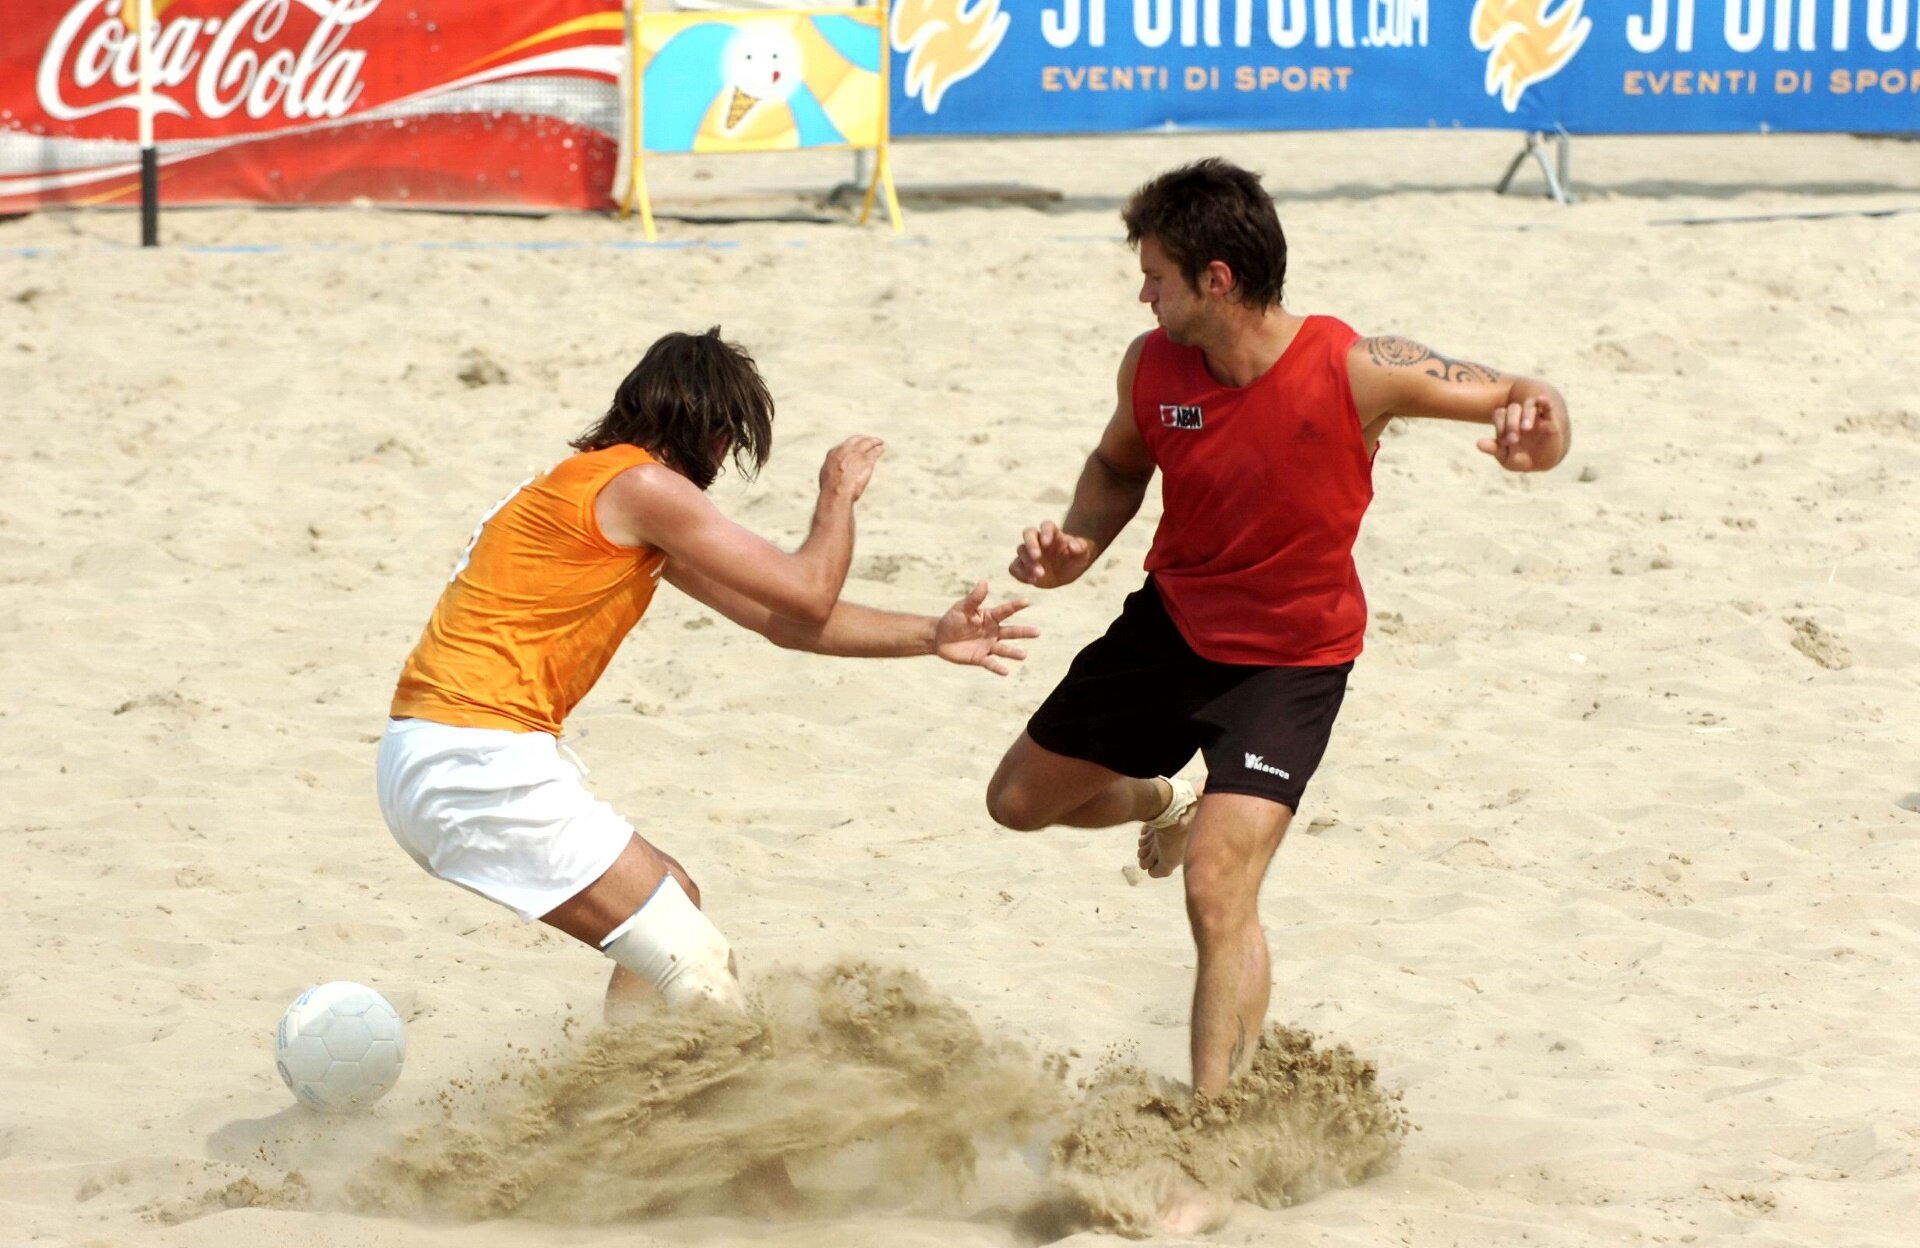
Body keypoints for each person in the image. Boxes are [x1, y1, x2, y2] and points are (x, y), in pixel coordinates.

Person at [985, 158, 1572, 1106]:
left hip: (1290, 667)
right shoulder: (1151, 363)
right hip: (1169, 629)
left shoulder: (1356, 368)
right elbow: (1115, 463)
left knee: (1218, 890)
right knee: (1015, 802)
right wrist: (1077, 547)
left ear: (1217, 279)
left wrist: (1537, 443)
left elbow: (1531, 395)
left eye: (1157, 276)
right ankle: (1157, 802)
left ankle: (1213, 1126)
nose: (1144, 293)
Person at [378, 328, 1036, 1017]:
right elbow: (809, 590)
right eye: (731, 442)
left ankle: (619, 1087)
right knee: (696, 967)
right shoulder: (641, 486)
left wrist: (931, 635)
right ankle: (653, 1113)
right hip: (474, 762)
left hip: (437, 757)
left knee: (674, 897)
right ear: (713, 433)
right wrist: (836, 496)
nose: (724, 462)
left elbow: (783, 619)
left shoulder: (599, 490)